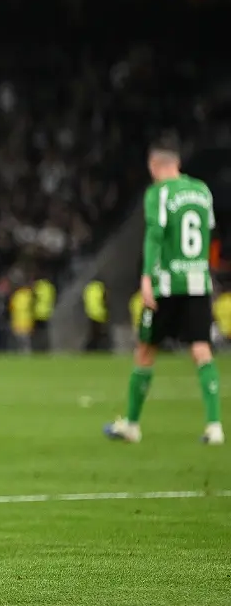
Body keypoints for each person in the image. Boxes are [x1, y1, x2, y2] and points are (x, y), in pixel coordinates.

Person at [104, 143, 223, 445]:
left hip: (167, 283)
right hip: (198, 281)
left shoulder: (158, 194)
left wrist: (146, 278)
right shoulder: (202, 192)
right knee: (201, 350)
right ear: (178, 162)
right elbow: (208, 233)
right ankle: (215, 426)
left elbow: (155, 235)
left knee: (145, 351)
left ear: (154, 166)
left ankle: (131, 424)